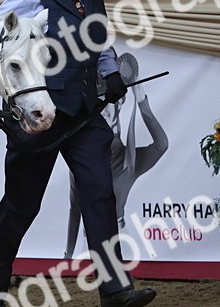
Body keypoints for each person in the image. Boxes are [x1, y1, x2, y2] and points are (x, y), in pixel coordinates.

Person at [0, 0, 157, 307]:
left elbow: (99, 36)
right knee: (22, 205)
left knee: (100, 194)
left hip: (83, 112)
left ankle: (114, 290)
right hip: (39, 116)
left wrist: (110, 73)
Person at [64, 52, 170, 258]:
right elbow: (75, 210)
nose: (103, 109)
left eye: (107, 101)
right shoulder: (81, 159)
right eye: (97, 102)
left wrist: (140, 98)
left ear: (119, 105)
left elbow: (161, 145)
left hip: (121, 239)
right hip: (89, 241)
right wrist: (67, 255)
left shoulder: (129, 160)